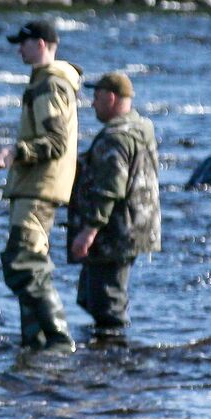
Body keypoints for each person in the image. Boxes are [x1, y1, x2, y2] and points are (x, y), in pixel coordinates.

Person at [0, 20, 83, 353]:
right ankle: (35, 343)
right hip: (33, 186)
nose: (18, 49)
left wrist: (15, 152)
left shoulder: (50, 84)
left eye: (23, 43)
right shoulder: (45, 82)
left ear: (41, 44)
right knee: (29, 263)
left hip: (38, 187)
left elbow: (55, 142)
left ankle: (58, 340)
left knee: (23, 262)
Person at [67, 71, 161, 337]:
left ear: (110, 97)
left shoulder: (115, 137)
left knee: (106, 303)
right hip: (136, 227)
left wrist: (88, 232)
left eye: (96, 97)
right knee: (91, 297)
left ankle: (116, 358)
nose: (93, 104)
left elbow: (110, 189)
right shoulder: (142, 127)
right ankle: (107, 353)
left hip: (114, 232)